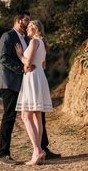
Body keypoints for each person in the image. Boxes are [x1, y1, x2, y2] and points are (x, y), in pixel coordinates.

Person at [0, 12, 60, 165]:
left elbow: (34, 58)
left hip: (28, 81)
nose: (28, 23)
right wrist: (21, 68)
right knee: (10, 116)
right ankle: (4, 153)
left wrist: (29, 63)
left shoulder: (29, 39)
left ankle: (42, 148)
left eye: (30, 22)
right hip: (11, 81)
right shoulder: (7, 36)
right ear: (19, 20)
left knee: (38, 114)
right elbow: (3, 58)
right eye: (26, 20)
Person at [15, 20, 53, 165]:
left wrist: (19, 55)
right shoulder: (42, 43)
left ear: (37, 29)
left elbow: (28, 62)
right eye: (28, 26)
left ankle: (37, 151)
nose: (28, 28)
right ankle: (39, 150)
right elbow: (43, 65)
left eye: (32, 26)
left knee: (26, 115)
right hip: (39, 76)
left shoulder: (34, 42)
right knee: (37, 115)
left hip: (32, 78)